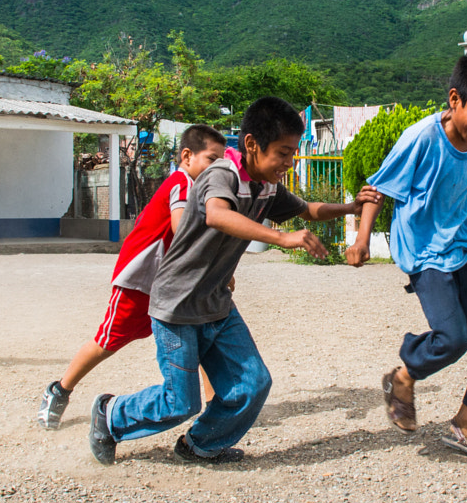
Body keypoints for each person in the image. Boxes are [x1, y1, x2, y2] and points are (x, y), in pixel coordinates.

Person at [87, 98, 371, 464]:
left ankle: (200, 445)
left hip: (216, 304)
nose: (289, 162)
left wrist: (350, 207)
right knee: (180, 401)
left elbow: (308, 210)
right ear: (251, 144)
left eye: (293, 153)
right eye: (283, 153)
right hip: (177, 305)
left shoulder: (266, 186)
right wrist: (283, 238)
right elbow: (218, 215)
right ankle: (110, 415)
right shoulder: (222, 174)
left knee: (253, 384)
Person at [347, 51, 467, 457]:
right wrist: (361, 241)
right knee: (453, 337)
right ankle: (403, 377)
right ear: (455, 99)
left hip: (465, 245)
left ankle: (466, 422)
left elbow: (464, 192)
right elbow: (378, 190)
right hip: (425, 253)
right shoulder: (420, 139)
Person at [37, 124, 227, 429]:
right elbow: (182, 230)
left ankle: (211, 406)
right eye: (211, 160)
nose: (217, 168)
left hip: (173, 284)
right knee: (108, 341)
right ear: (187, 156)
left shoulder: (200, 188)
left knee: (198, 333)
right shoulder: (182, 183)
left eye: (222, 162)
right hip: (140, 279)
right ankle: (59, 390)